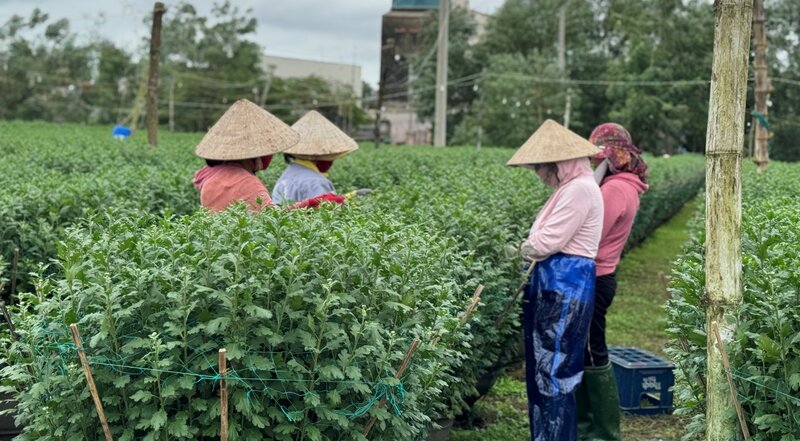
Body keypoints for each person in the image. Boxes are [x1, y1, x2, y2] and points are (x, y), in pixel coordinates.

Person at [507, 119, 604, 441]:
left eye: (543, 169)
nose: (541, 176)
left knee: (554, 370)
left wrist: (517, 250)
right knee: (546, 368)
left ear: (560, 164)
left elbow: (548, 242)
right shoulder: (574, 187)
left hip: (564, 286)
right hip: (559, 284)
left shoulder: (579, 189)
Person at [577, 123, 649, 441]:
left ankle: (604, 433)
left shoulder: (615, 189)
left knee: (593, 351)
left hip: (596, 278)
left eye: (599, 155)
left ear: (612, 155)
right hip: (599, 277)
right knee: (584, 351)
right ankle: (584, 428)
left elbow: (589, 235)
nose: (595, 162)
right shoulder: (624, 184)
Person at [192, 99, 342, 211]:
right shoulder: (246, 183)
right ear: (254, 153)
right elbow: (271, 224)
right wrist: (308, 205)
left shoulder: (212, 177)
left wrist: (306, 204)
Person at [272, 110, 363, 205]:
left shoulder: (288, 173)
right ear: (316, 157)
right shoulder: (315, 181)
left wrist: (348, 197)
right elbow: (326, 213)